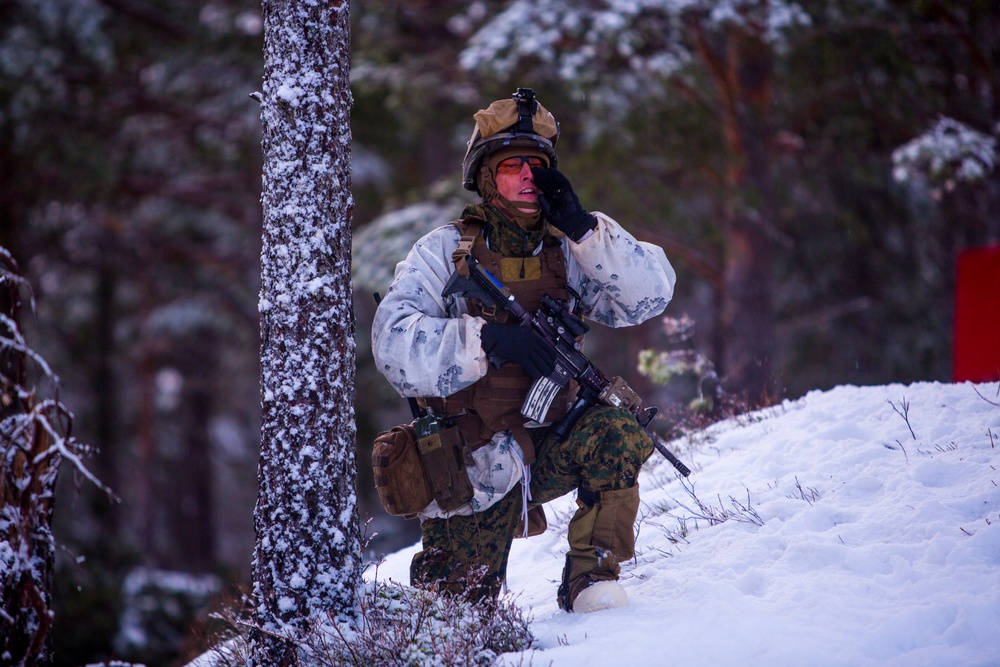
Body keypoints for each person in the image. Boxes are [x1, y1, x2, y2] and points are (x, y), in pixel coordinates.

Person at [371, 88, 676, 613]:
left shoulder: (572, 248)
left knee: (618, 432)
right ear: (486, 174)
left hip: (551, 441)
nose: (528, 176)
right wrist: (485, 340)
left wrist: (584, 228)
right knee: (458, 615)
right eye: (513, 164)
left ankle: (591, 578)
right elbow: (392, 343)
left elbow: (649, 296)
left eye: (537, 164)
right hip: (475, 462)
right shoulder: (446, 252)